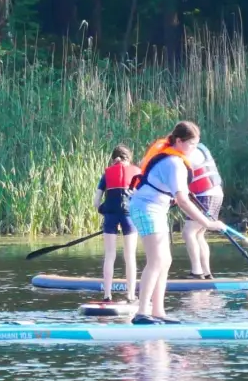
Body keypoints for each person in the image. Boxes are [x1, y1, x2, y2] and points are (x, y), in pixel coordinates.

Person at [127, 122, 224, 324]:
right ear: (179, 141)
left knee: (165, 260)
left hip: (156, 209)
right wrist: (208, 223)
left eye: (197, 144)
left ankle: (158, 312)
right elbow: (182, 201)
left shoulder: (175, 159)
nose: (194, 149)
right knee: (156, 260)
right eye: (191, 144)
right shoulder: (174, 163)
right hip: (146, 208)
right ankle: (141, 313)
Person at [96, 145, 137, 300]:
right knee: (130, 256)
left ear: (113, 159)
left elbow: (96, 202)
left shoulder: (106, 174)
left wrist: (105, 211)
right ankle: (131, 295)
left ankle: (107, 295)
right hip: (129, 216)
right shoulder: (136, 172)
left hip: (110, 216)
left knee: (109, 255)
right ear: (129, 158)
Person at [180, 140, 224, 279]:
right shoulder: (197, 148)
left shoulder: (193, 151)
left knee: (188, 232)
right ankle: (206, 273)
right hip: (211, 194)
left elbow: (179, 170)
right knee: (198, 234)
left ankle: (197, 272)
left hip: (206, 194)